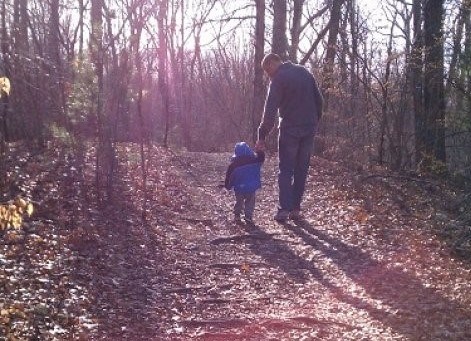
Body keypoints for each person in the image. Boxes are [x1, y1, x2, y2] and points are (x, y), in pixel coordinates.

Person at [255, 53, 323, 223]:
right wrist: (314, 121)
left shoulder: (279, 78)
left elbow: (270, 111)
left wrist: (262, 135)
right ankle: (295, 209)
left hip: (290, 128)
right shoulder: (305, 72)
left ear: (272, 63)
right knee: (301, 169)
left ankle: (284, 209)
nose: (268, 74)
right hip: (309, 127)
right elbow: (319, 101)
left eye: (267, 69)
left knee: (286, 169)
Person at [225, 142, 265, 223]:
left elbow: (229, 177)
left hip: (239, 187)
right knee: (250, 202)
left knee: (239, 202)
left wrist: (228, 186)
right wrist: (259, 150)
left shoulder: (233, 165)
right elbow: (261, 158)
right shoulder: (254, 160)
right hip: (251, 187)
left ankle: (237, 215)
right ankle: (248, 216)